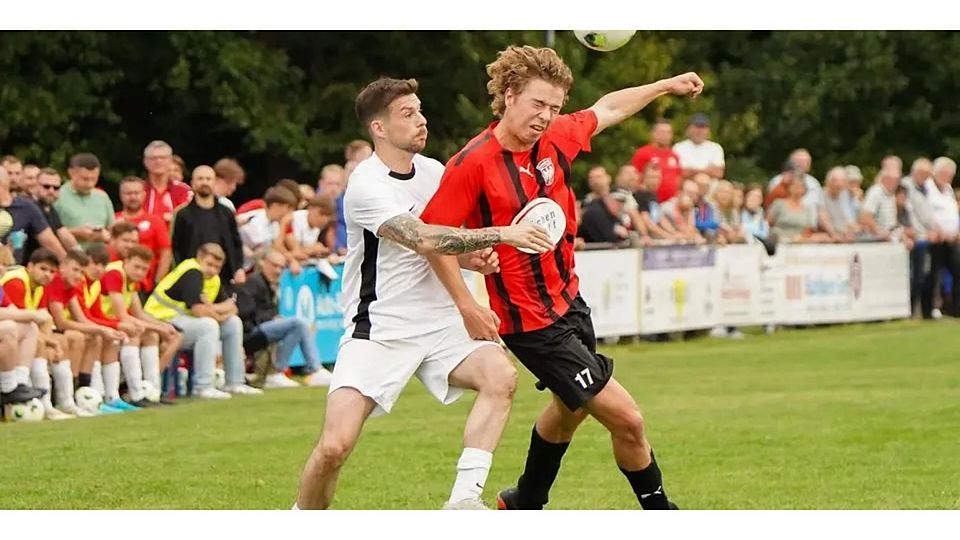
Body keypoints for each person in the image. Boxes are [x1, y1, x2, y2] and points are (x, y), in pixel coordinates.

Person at [420, 45, 702, 510]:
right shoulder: (472, 163)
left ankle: (526, 499)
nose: (547, 116)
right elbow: (432, 239)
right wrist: (468, 306)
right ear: (509, 96)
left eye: (554, 107)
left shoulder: (556, 138)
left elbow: (608, 107)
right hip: (529, 323)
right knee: (628, 419)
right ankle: (661, 512)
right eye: (538, 104)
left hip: (568, 303)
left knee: (571, 409)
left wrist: (664, 85)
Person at [294, 77, 553, 511]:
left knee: (501, 377)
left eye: (420, 110)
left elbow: (449, 244)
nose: (421, 120)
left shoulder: (434, 172)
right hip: (380, 329)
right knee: (335, 447)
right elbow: (424, 240)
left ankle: (463, 502)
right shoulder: (366, 185)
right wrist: (502, 235)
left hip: (440, 325)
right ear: (378, 128)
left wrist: (474, 259)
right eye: (407, 114)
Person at [145, 243, 262, 399]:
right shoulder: (192, 272)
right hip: (161, 320)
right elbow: (199, 311)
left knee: (233, 323)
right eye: (209, 264)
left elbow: (233, 307)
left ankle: (235, 382)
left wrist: (212, 308)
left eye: (217, 267)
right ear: (199, 258)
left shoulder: (214, 279)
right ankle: (203, 386)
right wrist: (218, 314)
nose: (213, 270)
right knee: (208, 326)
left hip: (184, 322)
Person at [237, 249, 334, 388]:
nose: (278, 271)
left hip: (262, 329)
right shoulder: (253, 282)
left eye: (281, 268)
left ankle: (277, 372)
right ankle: (313, 369)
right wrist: (272, 318)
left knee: (298, 328)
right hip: (251, 332)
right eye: (274, 266)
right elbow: (245, 312)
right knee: (298, 323)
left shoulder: (270, 285)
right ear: (264, 263)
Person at [170, 165, 246, 289]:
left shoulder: (226, 213)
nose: (204, 182)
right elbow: (175, 247)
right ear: (193, 183)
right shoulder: (182, 214)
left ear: (214, 182)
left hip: (224, 277)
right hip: (191, 276)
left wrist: (238, 268)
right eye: (200, 179)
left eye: (208, 179)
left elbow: (236, 243)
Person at [114, 176, 173, 294]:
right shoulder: (114, 220)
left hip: (145, 285)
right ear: (121, 195)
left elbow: (166, 253)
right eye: (128, 193)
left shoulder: (155, 221)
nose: (133, 197)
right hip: (115, 282)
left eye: (136, 193)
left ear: (144, 195)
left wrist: (157, 283)